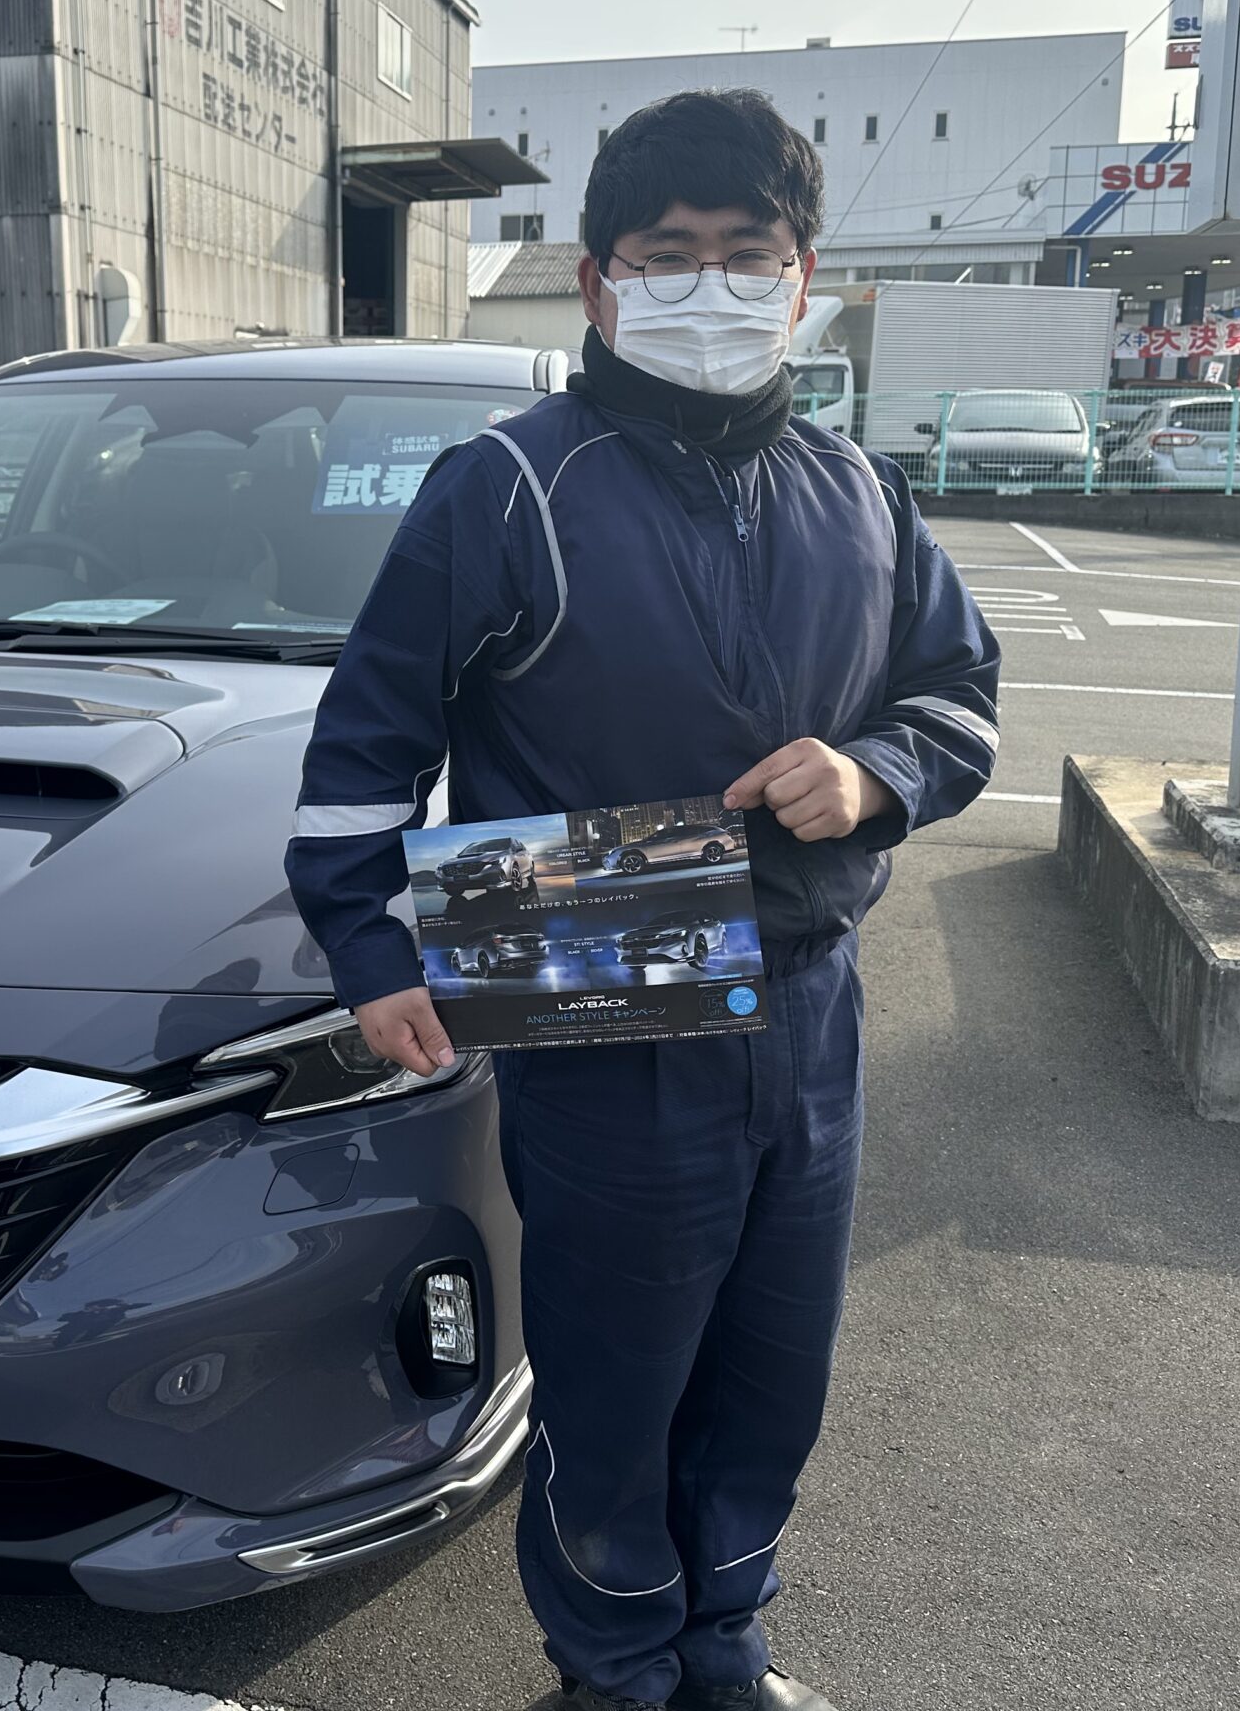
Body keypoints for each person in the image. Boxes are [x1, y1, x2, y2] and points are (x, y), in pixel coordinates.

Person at [284, 88, 1001, 1711]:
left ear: (803, 278)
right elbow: (364, 751)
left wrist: (875, 771)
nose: (709, 285)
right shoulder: (507, 485)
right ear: (600, 281)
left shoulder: (862, 492)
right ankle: (613, 1668)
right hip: (594, 971)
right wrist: (371, 949)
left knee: (774, 1367)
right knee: (615, 1386)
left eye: (748, 252)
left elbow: (959, 695)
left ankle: (725, 1647)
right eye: (667, 254)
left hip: (810, 998)